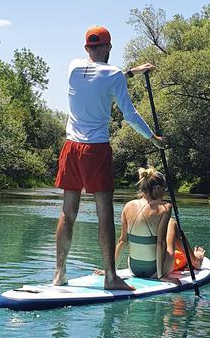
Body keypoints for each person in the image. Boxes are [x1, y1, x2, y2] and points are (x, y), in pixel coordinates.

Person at [53, 25, 166, 290]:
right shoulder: (114, 74)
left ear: (85, 48)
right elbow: (130, 114)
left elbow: (98, 76)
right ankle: (111, 277)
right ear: (109, 47)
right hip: (96, 149)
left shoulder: (72, 68)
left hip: (71, 147)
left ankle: (59, 274)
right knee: (104, 213)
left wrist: (130, 72)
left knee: (67, 213)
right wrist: (153, 139)